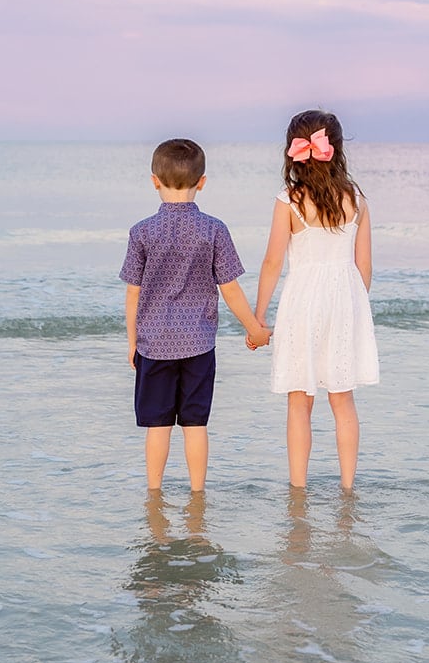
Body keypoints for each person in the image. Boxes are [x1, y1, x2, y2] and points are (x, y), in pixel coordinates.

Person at [120, 138, 270, 494]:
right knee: (195, 424)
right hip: (198, 344)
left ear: (154, 180)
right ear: (202, 181)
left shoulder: (141, 232)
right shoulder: (214, 229)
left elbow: (133, 292)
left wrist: (132, 343)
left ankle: (154, 493)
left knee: (157, 426)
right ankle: (197, 494)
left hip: (154, 345)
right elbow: (230, 289)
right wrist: (256, 329)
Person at [251, 110, 378, 489]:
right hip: (345, 298)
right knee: (342, 399)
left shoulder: (288, 200)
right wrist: (355, 305)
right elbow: (364, 265)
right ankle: (348, 486)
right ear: (336, 150)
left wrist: (258, 316)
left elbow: (273, 261)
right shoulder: (356, 199)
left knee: (299, 400)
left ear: (293, 152)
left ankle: (298, 488)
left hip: (303, 300)